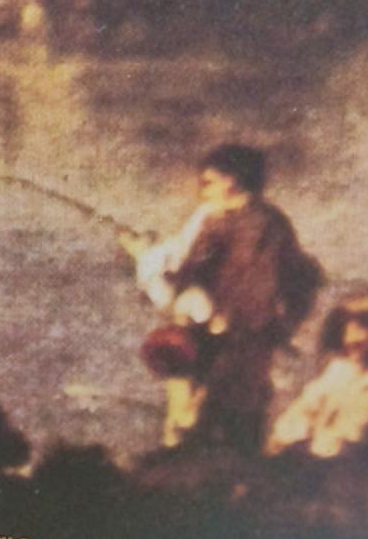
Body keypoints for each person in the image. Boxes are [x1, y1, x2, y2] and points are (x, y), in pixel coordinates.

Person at [129, 143, 321, 451]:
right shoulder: (238, 220)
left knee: (208, 424)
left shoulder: (249, 224)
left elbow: (252, 283)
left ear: (231, 180)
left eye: (208, 183)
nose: (202, 191)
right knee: (211, 421)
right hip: (222, 337)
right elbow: (191, 273)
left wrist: (146, 257)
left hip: (228, 340)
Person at [268, 290, 368, 465]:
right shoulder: (337, 372)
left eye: (363, 327)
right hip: (313, 468)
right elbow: (296, 418)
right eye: (350, 327)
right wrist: (290, 439)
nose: (351, 338)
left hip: (356, 475)